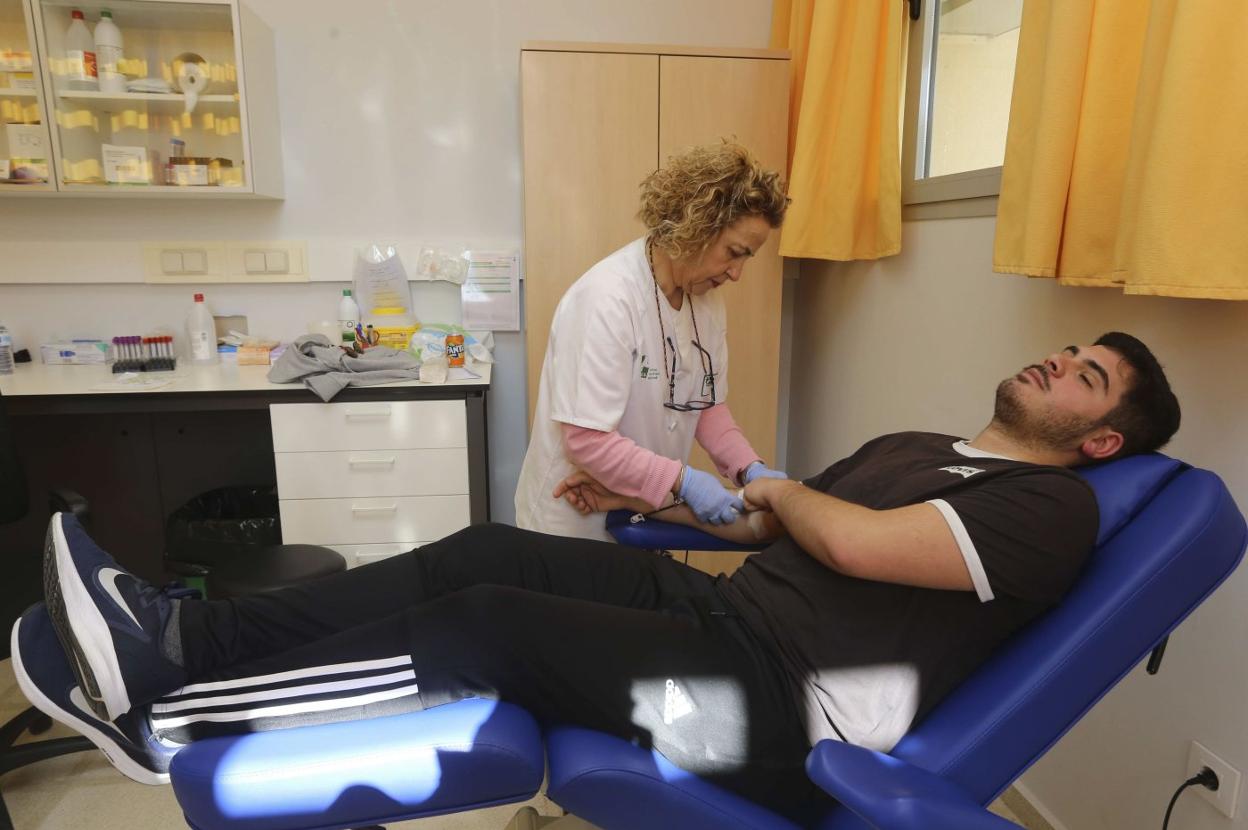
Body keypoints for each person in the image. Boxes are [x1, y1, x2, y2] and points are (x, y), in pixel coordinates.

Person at [15, 333, 1179, 814]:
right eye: (1070, 348)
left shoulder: (1055, 508)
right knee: (481, 549)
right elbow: (779, 525)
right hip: (716, 613)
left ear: (1102, 440)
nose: (1058, 359)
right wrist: (660, 497)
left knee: (489, 623)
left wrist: (782, 495)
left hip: (767, 719)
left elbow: (851, 541)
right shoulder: (922, 449)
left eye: (1085, 376)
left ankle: (161, 713)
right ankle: (190, 638)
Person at [515, 141, 790, 541]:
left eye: (746, 258)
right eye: (734, 253)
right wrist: (685, 482)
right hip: (573, 521)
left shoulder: (706, 304)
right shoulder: (607, 298)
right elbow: (587, 441)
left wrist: (750, 468)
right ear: (697, 225)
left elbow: (706, 405)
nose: (736, 274)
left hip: (636, 508)